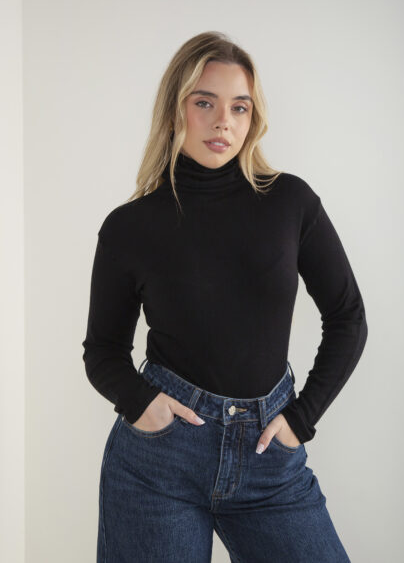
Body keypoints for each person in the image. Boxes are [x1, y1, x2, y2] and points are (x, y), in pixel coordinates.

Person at [82, 31, 368, 563]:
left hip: (269, 461)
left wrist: (302, 418)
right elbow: (102, 351)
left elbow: (347, 316)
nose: (223, 122)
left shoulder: (291, 203)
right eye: (204, 103)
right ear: (175, 109)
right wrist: (143, 405)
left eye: (239, 107)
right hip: (159, 466)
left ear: (252, 118)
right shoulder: (129, 226)